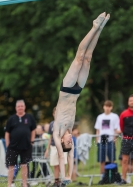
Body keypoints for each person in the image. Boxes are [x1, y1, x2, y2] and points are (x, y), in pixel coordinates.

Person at [53, 12, 110, 184]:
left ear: (62, 141)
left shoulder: (57, 131)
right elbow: (71, 153)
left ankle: (94, 26)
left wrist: (65, 176)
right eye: (72, 142)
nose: (71, 140)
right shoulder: (70, 129)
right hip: (77, 91)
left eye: (68, 142)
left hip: (66, 88)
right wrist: (71, 175)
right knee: (88, 59)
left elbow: (64, 156)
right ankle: (100, 28)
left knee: (79, 58)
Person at [5, 100, 36, 187]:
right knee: (11, 166)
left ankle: (24, 184)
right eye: (18, 106)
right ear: (16, 108)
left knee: (24, 165)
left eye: (22, 106)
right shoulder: (11, 119)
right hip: (13, 147)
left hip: (26, 146)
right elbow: (7, 132)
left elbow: (33, 129)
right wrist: (7, 144)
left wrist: (32, 141)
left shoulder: (29, 117)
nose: (20, 108)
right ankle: (9, 184)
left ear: (24, 107)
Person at [94, 100, 120, 182]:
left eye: (109, 106)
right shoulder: (100, 117)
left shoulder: (115, 116)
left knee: (112, 159)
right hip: (101, 140)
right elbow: (97, 130)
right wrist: (97, 141)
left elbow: (116, 130)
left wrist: (115, 141)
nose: (107, 108)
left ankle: (113, 177)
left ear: (111, 107)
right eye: (106, 106)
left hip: (110, 140)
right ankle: (102, 177)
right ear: (103, 107)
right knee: (102, 160)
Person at [45, 107, 68, 187]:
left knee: (62, 164)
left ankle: (63, 181)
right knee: (55, 165)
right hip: (53, 146)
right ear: (53, 114)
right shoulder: (51, 124)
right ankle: (56, 181)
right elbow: (50, 137)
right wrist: (47, 149)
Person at [119, 94, 133, 184]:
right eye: (130, 100)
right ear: (128, 102)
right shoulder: (124, 114)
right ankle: (123, 179)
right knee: (124, 160)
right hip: (126, 139)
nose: (132, 102)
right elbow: (121, 127)